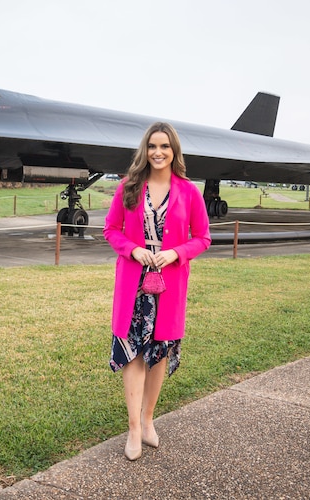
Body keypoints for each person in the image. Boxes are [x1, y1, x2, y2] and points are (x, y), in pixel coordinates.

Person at [103, 122, 211, 461]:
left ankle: (149, 420)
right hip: (134, 284)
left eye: (164, 146)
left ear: (174, 150)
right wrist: (132, 249)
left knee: (159, 353)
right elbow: (111, 229)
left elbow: (203, 237)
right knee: (133, 352)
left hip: (169, 284)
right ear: (145, 150)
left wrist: (177, 252)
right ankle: (134, 427)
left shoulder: (189, 191)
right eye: (152, 146)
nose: (158, 152)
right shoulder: (129, 186)